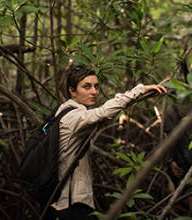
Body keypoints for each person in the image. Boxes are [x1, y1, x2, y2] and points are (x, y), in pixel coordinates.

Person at [43, 66, 168, 220]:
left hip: (63, 202)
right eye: (87, 87)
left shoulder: (63, 110)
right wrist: (141, 89)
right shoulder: (73, 118)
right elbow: (103, 112)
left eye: (96, 86)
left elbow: (101, 111)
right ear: (72, 91)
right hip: (71, 205)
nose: (94, 92)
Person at [164, 101, 192, 217]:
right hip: (184, 161)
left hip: (181, 162)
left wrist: (171, 160)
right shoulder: (172, 110)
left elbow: (171, 139)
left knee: (177, 198)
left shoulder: (171, 110)